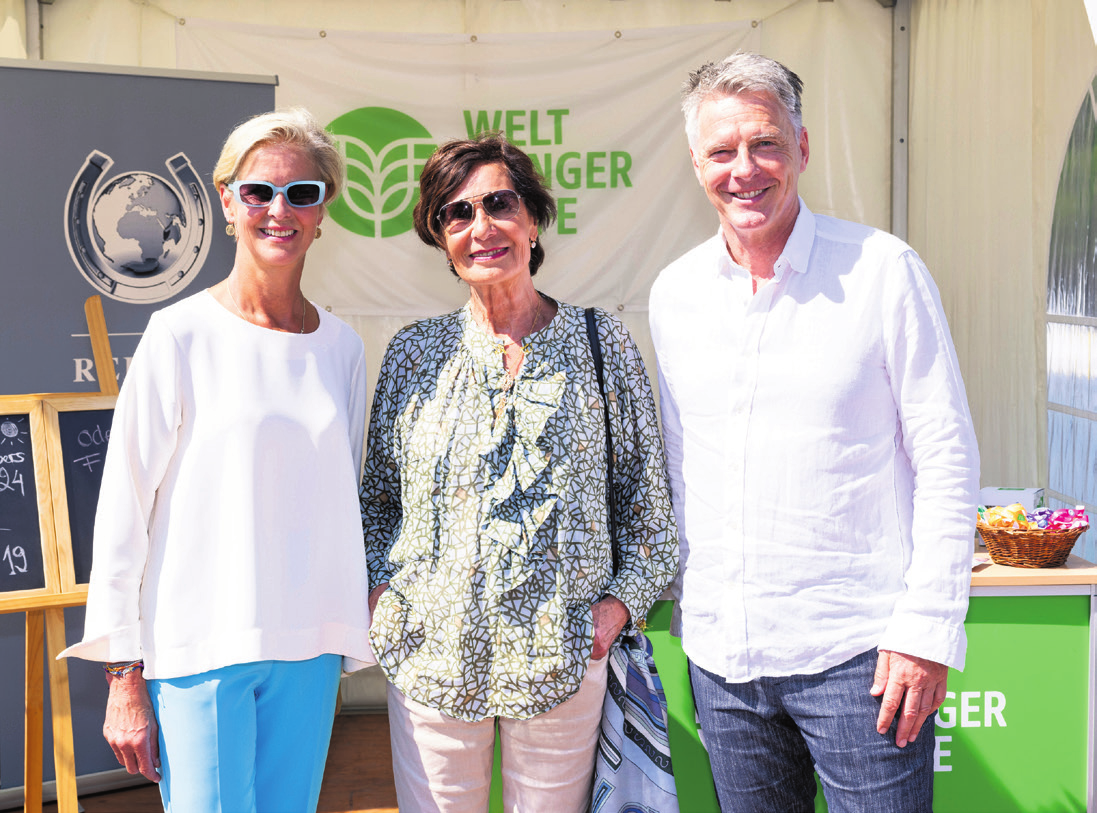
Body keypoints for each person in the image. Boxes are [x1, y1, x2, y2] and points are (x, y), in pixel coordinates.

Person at [648, 52, 980, 812]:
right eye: (722, 151)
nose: (744, 169)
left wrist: (927, 630)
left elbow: (945, 453)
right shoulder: (676, 295)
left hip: (861, 655)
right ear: (696, 164)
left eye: (764, 143)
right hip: (723, 661)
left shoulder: (881, 271)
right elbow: (679, 459)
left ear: (801, 148)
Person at [59, 108, 374, 813]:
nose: (278, 210)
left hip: (311, 648)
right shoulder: (178, 335)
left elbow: (340, 500)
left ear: (323, 211)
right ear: (227, 201)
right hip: (199, 649)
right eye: (258, 191)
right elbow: (124, 511)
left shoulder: (343, 349)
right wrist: (122, 674)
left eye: (302, 193)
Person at [360, 133, 678, 812]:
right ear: (440, 238)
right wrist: (382, 599)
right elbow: (377, 503)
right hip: (429, 659)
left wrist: (611, 612)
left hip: (561, 660)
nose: (482, 228)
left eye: (499, 204)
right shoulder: (414, 352)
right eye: (457, 213)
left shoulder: (601, 343)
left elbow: (648, 509)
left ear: (533, 219)